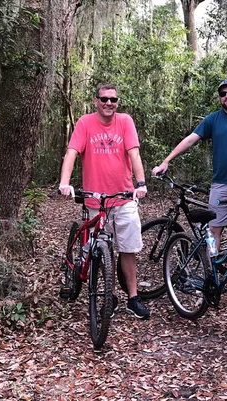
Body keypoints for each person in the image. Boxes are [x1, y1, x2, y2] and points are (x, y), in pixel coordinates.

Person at [152, 79, 227, 290]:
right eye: (223, 93)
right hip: (220, 184)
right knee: (215, 229)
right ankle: (212, 275)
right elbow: (191, 139)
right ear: (220, 97)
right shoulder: (213, 120)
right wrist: (167, 160)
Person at [59, 83, 150, 319]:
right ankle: (110, 297)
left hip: (123, 198)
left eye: (113, 100)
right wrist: (65, 182)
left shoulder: (125, 122)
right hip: (95, 201)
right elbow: (71, 152)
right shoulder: (85, 123)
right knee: (103, 250)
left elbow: (134, 153)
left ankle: (133, 297)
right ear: (96, 101)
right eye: (104, 99)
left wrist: (140, 184)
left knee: (128, 249)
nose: (109, 103)